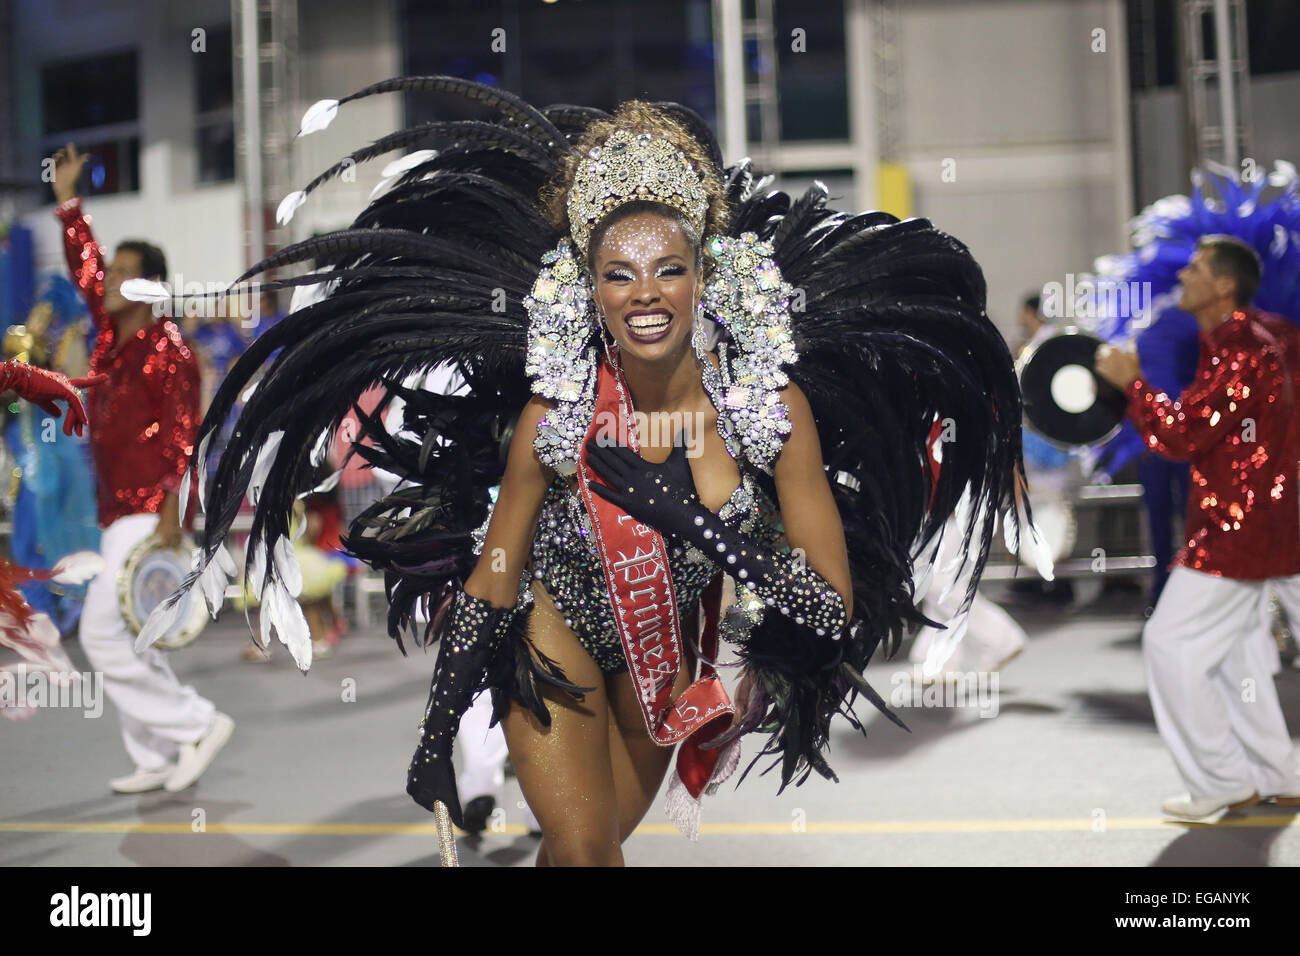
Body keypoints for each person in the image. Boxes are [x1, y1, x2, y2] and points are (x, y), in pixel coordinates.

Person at [131, 79, 1024, 866]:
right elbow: (495, 573)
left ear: (703, 281)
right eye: (618, 274)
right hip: (548, 639)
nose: (644, 292)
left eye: (669, 269)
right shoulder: (553, 417)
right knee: (591, 855)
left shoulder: (769, 413)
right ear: (589, 289)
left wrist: (699, 526)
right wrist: (437, 734)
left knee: (572, 853)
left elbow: (830, 605)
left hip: (661, 668)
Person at [1096, 234, 1300, 821]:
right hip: (1266, 523)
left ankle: (1220, 782)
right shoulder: (1270, 338)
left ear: (1224, 286)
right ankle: (1275, 772)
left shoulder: (1243, 349)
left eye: (1196, 268)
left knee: (1169, 644)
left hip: (1236, 529)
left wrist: (1131, 381)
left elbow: (1181, 435)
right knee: (1236, 654)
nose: (1183, 274)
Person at [50, 143, 234, 794]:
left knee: (102, 634)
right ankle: (155, 754)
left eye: (127, 273)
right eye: (113, 272)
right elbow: (85, 265)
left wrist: (171, 514)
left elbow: (186, 441)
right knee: (135, 636)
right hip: (115, 508)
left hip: (147, 509)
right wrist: (70, 204)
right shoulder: (110, 334)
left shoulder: (170, 348)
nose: (110, 280)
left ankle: (196, 723)